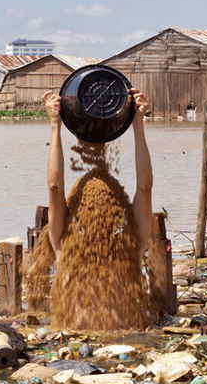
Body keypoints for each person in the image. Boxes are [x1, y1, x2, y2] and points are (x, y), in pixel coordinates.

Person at [27, 87, 155, 331]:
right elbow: (145, 187)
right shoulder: (133, 247)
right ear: (122, 213)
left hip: (76, 329)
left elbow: (54, 187)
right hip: (124, 329)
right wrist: (138, 124)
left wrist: (55, 125)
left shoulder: (62, 247)